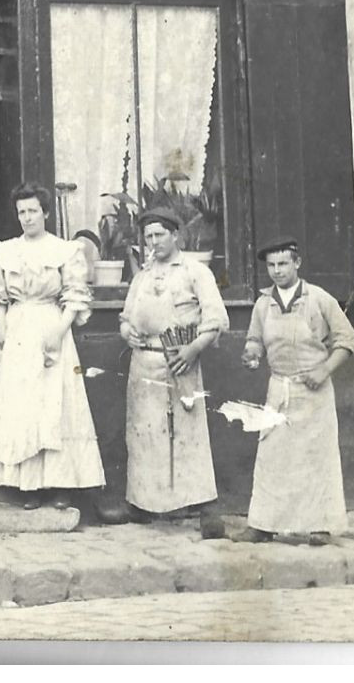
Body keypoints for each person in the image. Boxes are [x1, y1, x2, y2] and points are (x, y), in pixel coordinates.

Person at [0, 183, 105, 506]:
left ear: (46, 213)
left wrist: (59, 330)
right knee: (22, 405)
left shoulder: (64, 250)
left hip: (52, 328)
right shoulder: (7, 250)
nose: (27, 218)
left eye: (33, 211)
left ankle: (61, 485)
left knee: (55, 405)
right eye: (21, 212)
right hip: (18, 330)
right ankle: (28, 485)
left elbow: (76, 296)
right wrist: (1, 327)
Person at [235, 237, 354, 546]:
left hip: (313, 391)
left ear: (297, 263)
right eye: (271, 265)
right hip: (279, 389)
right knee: (272, 457)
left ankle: (318, 526)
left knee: (316, 458)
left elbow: (348, 340)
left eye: (283, 264)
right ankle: (262, 525)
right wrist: (252, 354)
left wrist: (324, 369)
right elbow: (255, 340)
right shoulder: (264, 304)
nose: (277, 271)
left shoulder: (319, 299)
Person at [118, 209, 227, 519]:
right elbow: (125, 320)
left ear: (176, 235)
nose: (154, 242)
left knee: (186, 431)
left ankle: (201, 503)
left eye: (160, 235)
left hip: (180, 360)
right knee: (144, 432)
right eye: (149, 236)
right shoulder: (143, 276)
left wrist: (192, 350)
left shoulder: (195, 271)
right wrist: (129, 334)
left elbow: (216, 319)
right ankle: (141, 503)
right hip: (144, 362)